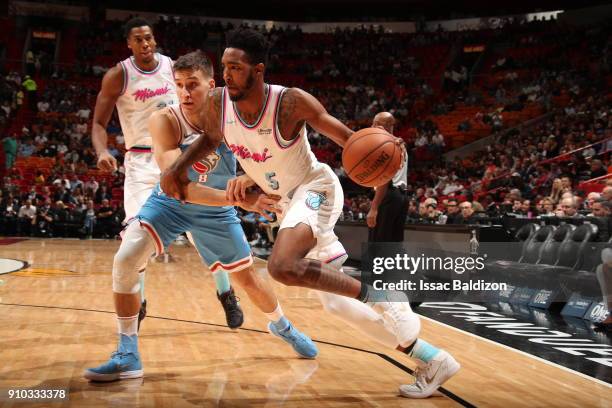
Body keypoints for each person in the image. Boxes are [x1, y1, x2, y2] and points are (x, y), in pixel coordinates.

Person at [161, 28, 459, 398]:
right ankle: (432, 359)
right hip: (286, 201)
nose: (226, 74)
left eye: (235, 67)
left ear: (258, 69)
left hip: (315, 190)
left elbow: (348, 139)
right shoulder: (219, 103)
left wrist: (384, 151)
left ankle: (379, 294)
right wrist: (181, 169)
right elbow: (211, 139)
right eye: (224, 66)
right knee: (337, 305)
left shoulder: (290, 103)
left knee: (282, 266)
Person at [84, 51, 316, 381]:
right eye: (178, 85)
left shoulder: (236, 114)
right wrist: (240, 200)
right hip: (170, 204)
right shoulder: (164, 120)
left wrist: (255, 182)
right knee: (125, 258)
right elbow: (178, 187)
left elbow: (269, 154)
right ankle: (128, 351)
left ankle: (283, 326)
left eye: (192, 85)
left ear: (212, 85)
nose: (185, 93)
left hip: (217, 213)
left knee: (248, 279)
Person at [90, 17, 241, 329]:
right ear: (128, 44)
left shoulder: (174, 68)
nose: (145, 44)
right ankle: (139, 301)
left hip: (183, 154)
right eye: (138, 39)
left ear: (154, 39)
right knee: (135, 234)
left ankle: (226, 293)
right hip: (140, 161)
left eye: (149, 38)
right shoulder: (118, 75)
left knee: (203, 228)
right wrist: (103, 151)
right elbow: (98, 124)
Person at [366, 112, 408, 242]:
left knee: (378, 242)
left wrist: (373, 208)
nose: (372, 126)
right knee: (394, 242)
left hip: (388, 195)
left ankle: (375, 263)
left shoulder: (384, 145)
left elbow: (384, 178)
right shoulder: (399, 144)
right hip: (402, 197)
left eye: (375, 123)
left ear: (380, 126)